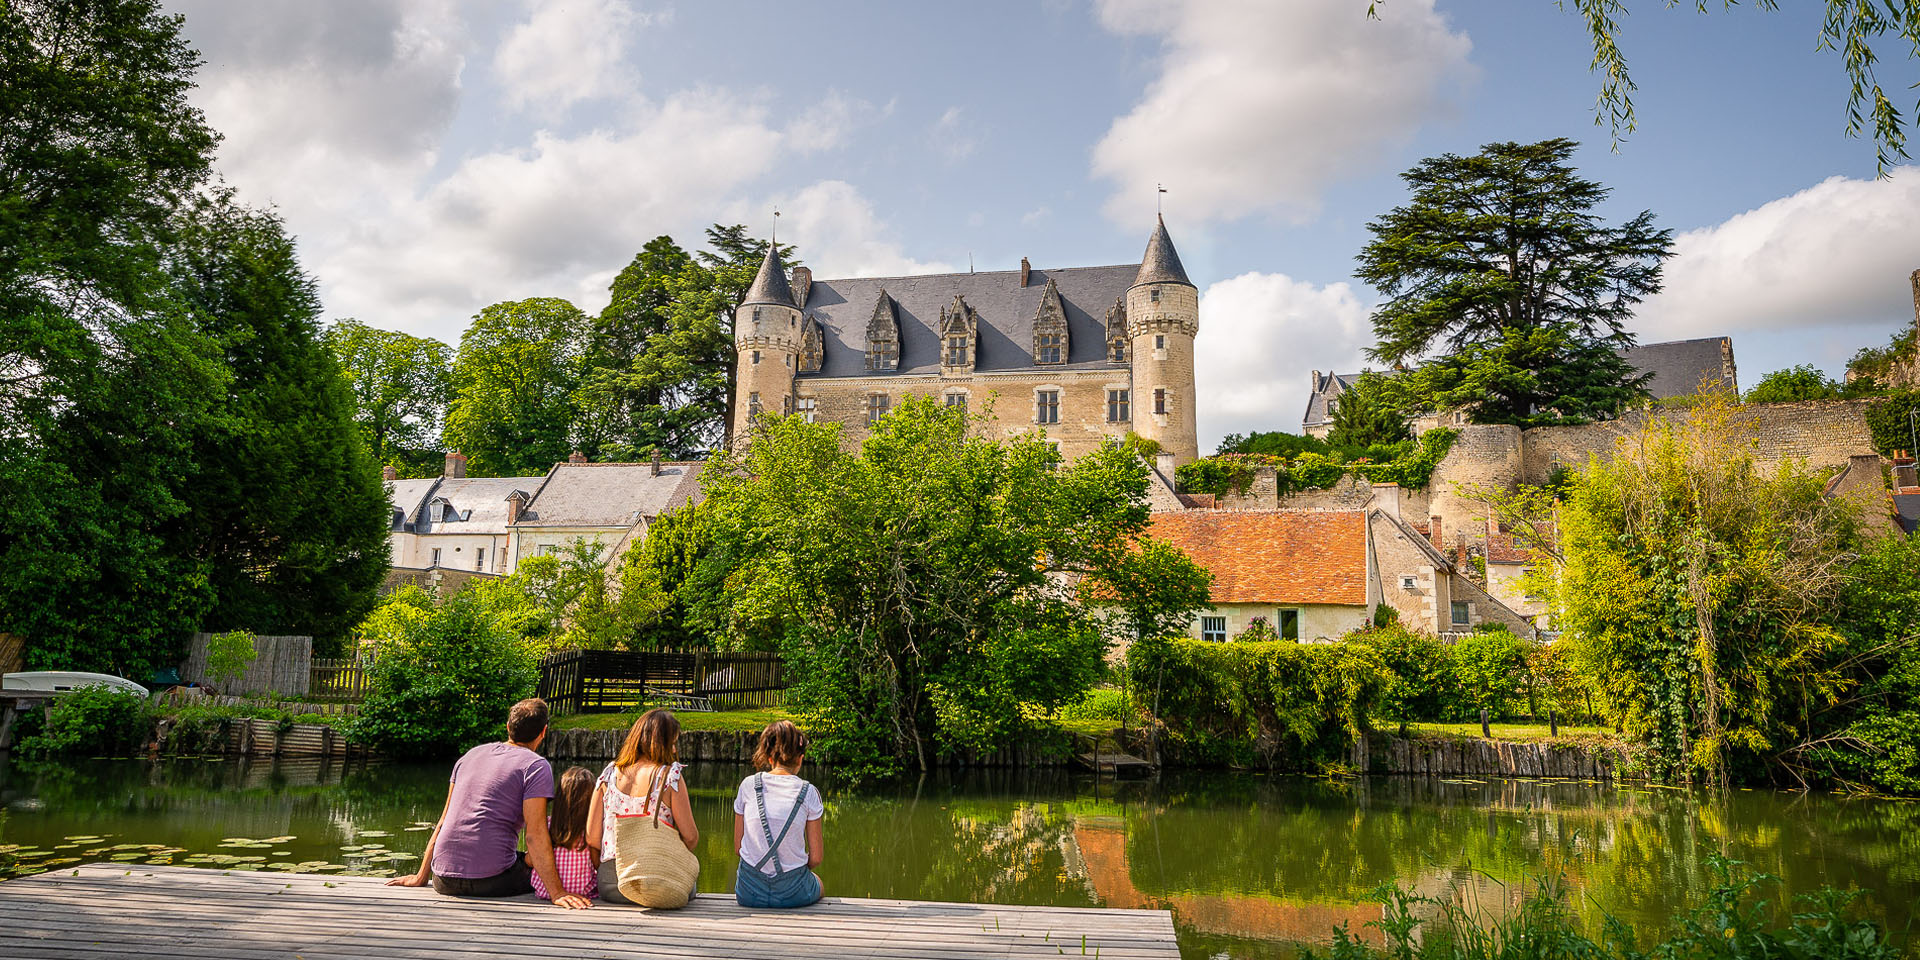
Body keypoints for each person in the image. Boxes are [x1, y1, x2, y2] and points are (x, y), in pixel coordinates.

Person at [385, 698, 589, 909]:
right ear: (544, 731)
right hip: (492, 881)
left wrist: (420, 877)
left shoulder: (469, 756)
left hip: (442, 880)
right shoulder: (535, 766)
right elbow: (534, 834)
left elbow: (443, 821)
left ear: (508, 727)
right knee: (536, 859)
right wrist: (557, 893)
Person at [586, 708, 698, 904]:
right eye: (672, 743)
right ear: (661, 743)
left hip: (613, 884)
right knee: (689, 886)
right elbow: (691, 837)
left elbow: (592, 838)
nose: (674, 750)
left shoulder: (608, 774)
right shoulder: (670, 777)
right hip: (661, 881)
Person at [732, 720, 824, 908]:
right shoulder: (809, 792)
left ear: (769, 757)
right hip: (794, 894)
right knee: (819, 883)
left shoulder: (748, 786)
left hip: (748, 893)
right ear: (800, 758)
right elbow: (816, 858)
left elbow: (737, 848)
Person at [531, 766, 599, 901]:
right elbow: (596, 863)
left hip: (545, 891)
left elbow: (531, 859)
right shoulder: (589, 830)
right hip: (583, 892)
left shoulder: (548, 825)